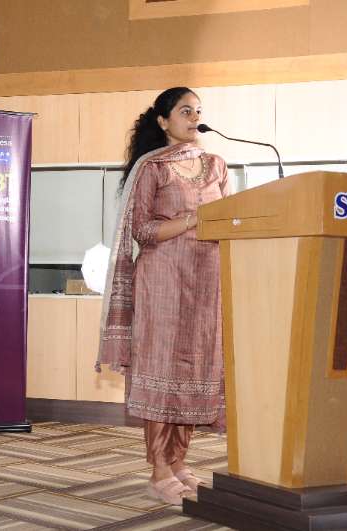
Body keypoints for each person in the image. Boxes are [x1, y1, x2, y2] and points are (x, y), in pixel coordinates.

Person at [97, 87, 229, 506]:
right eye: (185, 111)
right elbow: (142, 230)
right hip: (163, 283)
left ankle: (178, 462)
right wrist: (192, 219)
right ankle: (158, 471)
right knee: (162, 372)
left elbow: (228, 218)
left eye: (198, 111)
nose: (194, 118)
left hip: (207, 282)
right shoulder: (151, 168)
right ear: (163, 120)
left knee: (195, 370)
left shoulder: (216, 165)